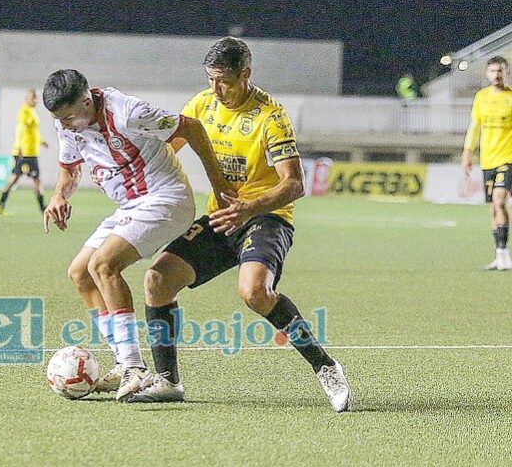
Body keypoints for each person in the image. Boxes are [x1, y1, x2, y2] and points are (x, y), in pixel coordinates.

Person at [130, 37, 352, 412]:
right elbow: (167, 150)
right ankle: (168, 380)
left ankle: (326, 367)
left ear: (245, 75)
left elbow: (294, 183)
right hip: (222, 216)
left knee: (254, 293)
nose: (217, 89)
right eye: (211, 79)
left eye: (225, 81)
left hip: (266, 218)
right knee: (157, 280)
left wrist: (249, 208)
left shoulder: (271, 116)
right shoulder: (202, 105)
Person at [42, 69, 232, 401]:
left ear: (87, 100)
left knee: (103, 264)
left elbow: (192, 128)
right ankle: (122, 362)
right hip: (130, 206)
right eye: (60, 120)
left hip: (166, 198)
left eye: (70, 117)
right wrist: (60, 195)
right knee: (80, 274)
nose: (66, 125)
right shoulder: (67, 122)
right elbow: (70, 168)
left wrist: (219, 185)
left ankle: (134, 366)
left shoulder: (129, 113)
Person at [462, 56, 512, 271]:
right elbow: (475, 127)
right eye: (492, 71)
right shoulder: (481, 97)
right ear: (487, 73)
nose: (496, 75)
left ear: (506, 72)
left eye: (500, 70)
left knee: (499, 201)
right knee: (493, 207)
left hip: (508, 158)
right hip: (487, 160)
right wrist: (467, 152)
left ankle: (502, 254)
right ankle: (501, 254)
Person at [0, 89, 49, 215]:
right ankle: (42, 209)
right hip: (26, 152)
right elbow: (21, 130)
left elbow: (32, 132)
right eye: (33, 97)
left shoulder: (31, 111)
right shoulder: (24, 111)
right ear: (26, 99)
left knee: (15, 177)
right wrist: (19, 148)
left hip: (31, 151)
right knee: (35, 179)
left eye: (36, 98)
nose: (35, 100)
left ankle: (0, 204)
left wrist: (41, 141)